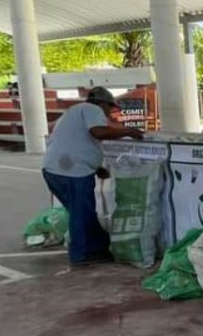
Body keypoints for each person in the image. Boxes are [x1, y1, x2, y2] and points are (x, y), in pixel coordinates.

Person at [41, 86, 144, 266]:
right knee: (81, 214)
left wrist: (96, 168)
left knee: (83, 212)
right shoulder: (92, 109)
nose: (108, 114)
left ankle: (98, 247)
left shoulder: (72, 112)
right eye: (109, 109)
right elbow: (97, 132)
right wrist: (127, 131)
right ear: (102, 103)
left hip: (54, 170)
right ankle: (80, 255)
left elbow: (74, 144)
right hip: (72, 172)